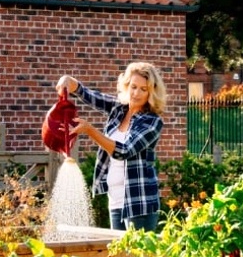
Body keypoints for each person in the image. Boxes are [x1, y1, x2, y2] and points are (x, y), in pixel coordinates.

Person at [55, 61, 166, 232]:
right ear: (126, 85)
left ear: (151, 93)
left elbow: (123, 150)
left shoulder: (152, 122)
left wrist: (89, 130)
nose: (136, 93)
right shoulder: (119, 109)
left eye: (143, 89)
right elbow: (91, 96)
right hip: (115, 200)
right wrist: (69, 81)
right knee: (119, 256)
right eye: (133, 86)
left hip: (139, 203)